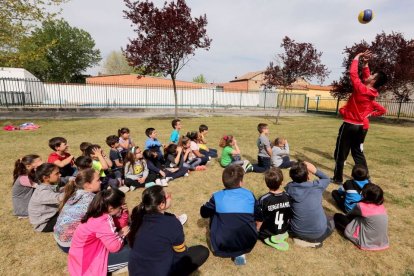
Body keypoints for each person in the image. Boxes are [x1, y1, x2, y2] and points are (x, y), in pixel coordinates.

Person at [333, 50, 388, 184]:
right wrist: (365, 65)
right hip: (359, 127)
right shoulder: (370, 90)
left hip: (349, 125)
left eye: (373, 75)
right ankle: (366, 176)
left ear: (373, 80)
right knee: (357, 152)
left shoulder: (362, 89)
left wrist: (357, 57)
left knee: (341, 153)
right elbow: (367, 78)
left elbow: (353, 74)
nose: (370, 75)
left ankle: (338, 178)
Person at [128, 186, 209, 276]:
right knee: (202, 251)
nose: (170, 196)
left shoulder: (139, 218)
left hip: (135, 271)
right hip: (160, 272)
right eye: (168, 196)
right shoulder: (172, 224)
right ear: (162, 204)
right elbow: (180, 256)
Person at [200, 165, 258, 265]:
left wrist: (209, 200)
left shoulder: (217, 196)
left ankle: (235, 249)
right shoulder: (250, 194)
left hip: (220, 247)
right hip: (248, 243)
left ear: (224, 182)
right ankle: (240, 252)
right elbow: (258, 216)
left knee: (214, 212)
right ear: (241, 182)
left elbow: (204, 213)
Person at [68, 189, 130, 275]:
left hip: (82, 259)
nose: (123, 207)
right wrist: (121, 235)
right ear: (111, 208)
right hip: (89, 263)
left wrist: (123, 213)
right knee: (137, 252)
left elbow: (120, 225)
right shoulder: (103, 221)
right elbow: (115, 247)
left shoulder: (98, 213)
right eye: (121, 206)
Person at [285, 161, 333, 248]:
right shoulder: (317, 186)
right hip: (318, 234)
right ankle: (313, 242)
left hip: (297, 231)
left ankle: (302, 239)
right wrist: (315, 170)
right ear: (308, 175)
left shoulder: (289, 188)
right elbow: (327, 179)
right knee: (331, 220)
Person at [54, 168, 101, 253]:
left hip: (60, 240)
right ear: (88, 185)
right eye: (98, 180)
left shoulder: (75, 193)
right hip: (71, 245)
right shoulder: (92, 199)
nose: (100, 182)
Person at [334, 183, 389, 251]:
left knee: (337, 216)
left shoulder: (361, 206)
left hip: (365, 242)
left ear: (365, 195)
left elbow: (349, 215)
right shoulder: (382, 207)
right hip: (381, 241)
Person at [256, 167, 291, 251]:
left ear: (266, 183)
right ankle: (281, 235)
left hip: (267, 232)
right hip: (283, 229)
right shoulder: (288, 196)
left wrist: (256, 230)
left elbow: (259, 218)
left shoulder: (263, 199)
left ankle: (269, 239)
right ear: (282, 182)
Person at [28, 163, 63, 232]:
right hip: (44, 224)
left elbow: (59, 191)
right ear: (46, 178)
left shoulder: (48, 185)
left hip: (52, 215)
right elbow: (60, 197)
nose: (60, 175)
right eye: (57, 173)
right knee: (74, 217)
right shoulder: (42, 192)